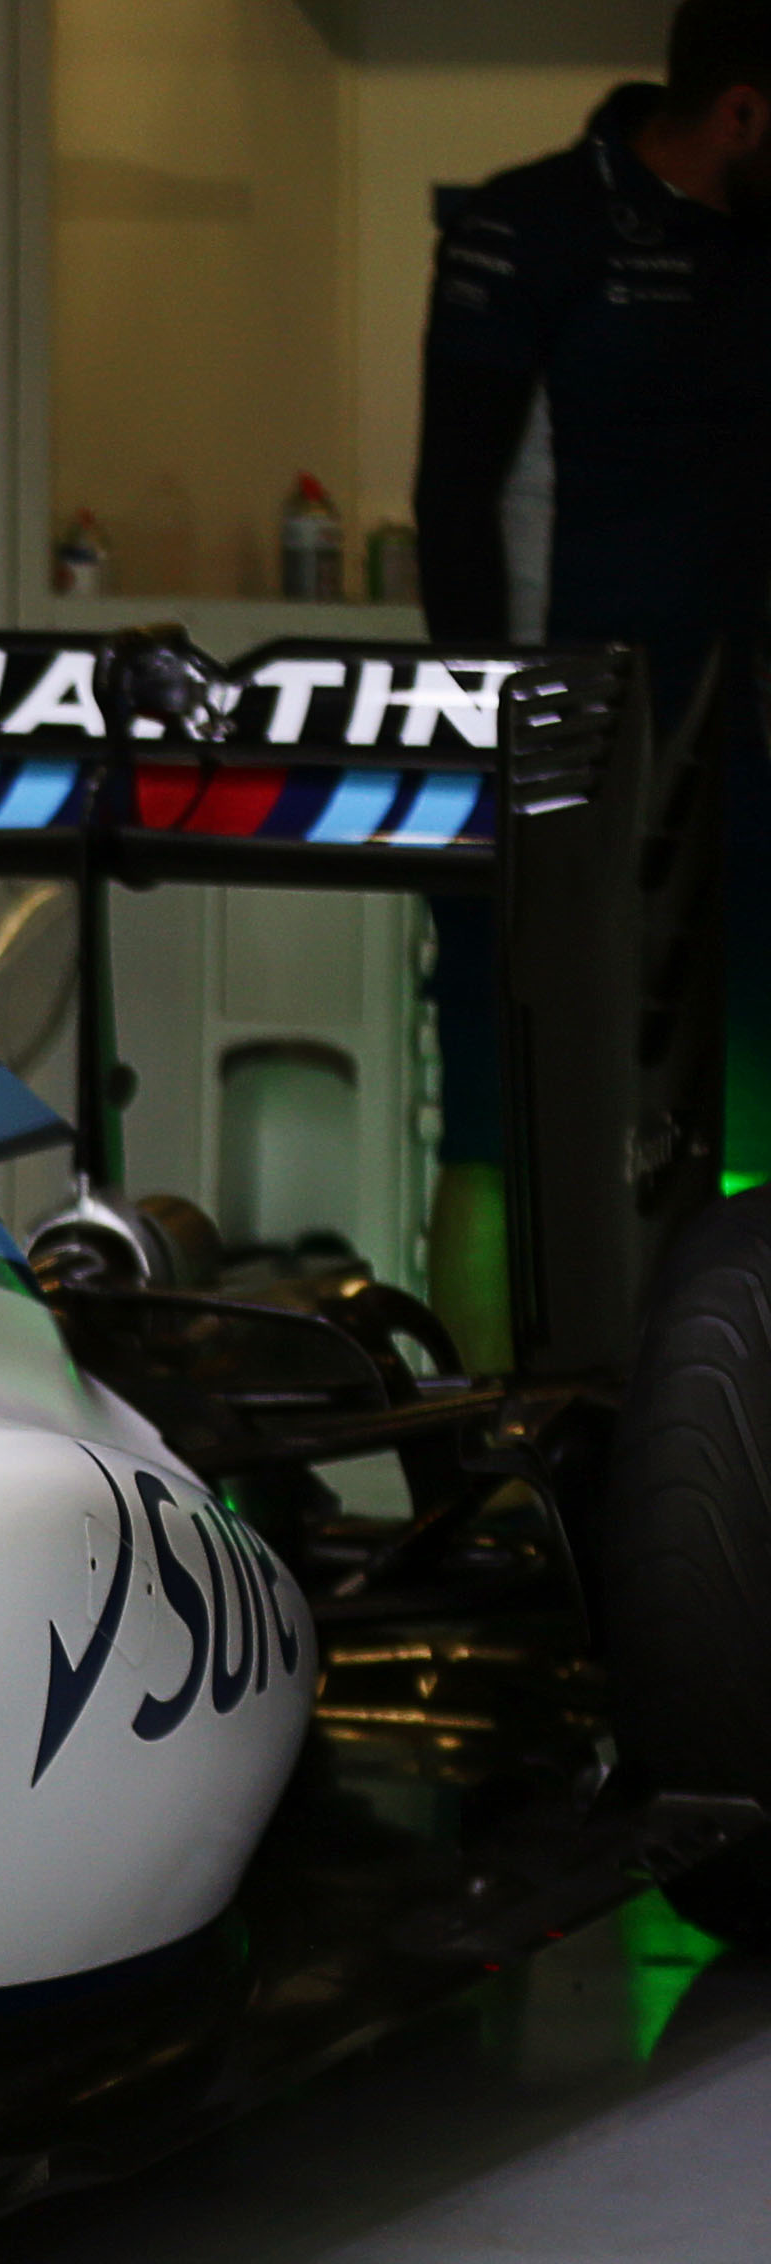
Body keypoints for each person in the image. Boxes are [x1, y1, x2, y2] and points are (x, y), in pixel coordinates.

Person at [414, 1, 771, 1309]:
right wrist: (484, 750)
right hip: (540, 755)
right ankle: (483, 1479)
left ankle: (729, 1461)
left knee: (741, 1135)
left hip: (734, 764)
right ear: (741, 111)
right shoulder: (531, 227)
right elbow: (452, 505)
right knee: (502, 1133)